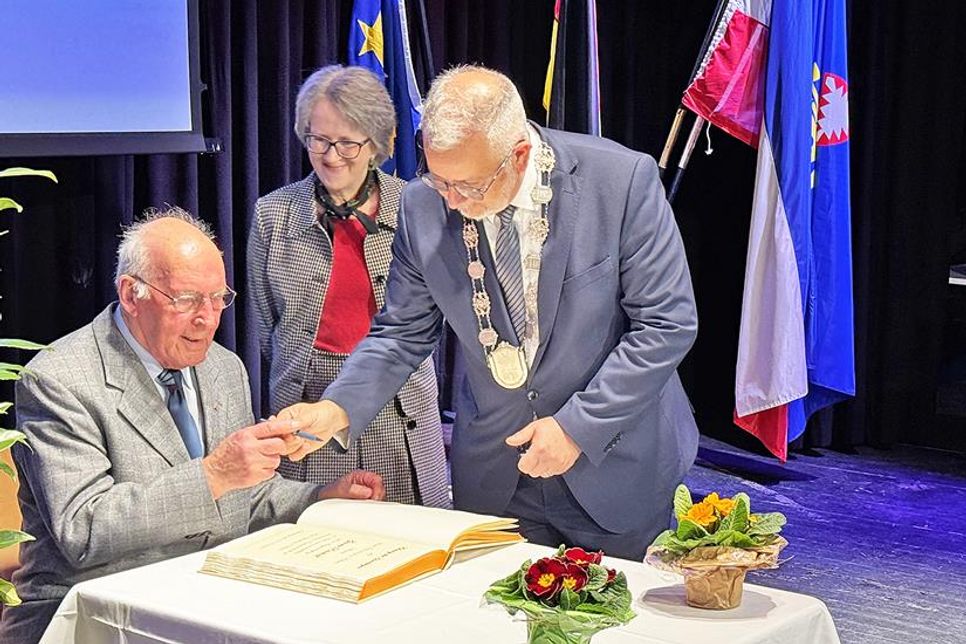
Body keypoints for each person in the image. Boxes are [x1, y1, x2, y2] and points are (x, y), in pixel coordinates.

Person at [279, 65, 700, 561]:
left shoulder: (619, 182)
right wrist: (337, 408)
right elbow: (401, 333)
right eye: (439, 179)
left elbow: (666, 324)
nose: (453, 201)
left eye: (470, 186)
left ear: (518, 155)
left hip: (613, 465)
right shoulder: (423, 205)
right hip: (498, 479)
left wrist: (577, 428)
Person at [0, 209, 384, 644]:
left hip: (204, 600)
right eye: (186, 300)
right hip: (90, 615)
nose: (208, 318)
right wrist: (214, 473)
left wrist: (320, 497)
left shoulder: (223, 367)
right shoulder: (58, 380)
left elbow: (243, 499)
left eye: (218, 298)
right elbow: (83, 529)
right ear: (131, 294)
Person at [247, 65, 449, 508]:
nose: (331, 156)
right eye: (318, 140)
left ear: (375, 143)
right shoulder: (272, 215)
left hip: (399, 408)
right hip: (309, 412)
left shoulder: (418, 206)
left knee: (411, 536)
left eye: (347, 143)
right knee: (320, 535)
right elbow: (266, 326)